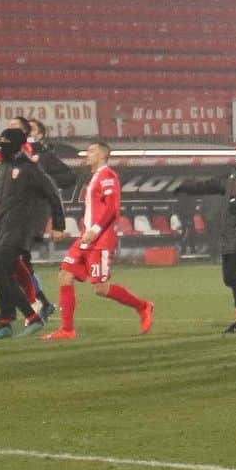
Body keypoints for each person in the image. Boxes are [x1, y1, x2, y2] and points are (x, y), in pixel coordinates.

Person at [44, 142, 153, 340]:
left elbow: (112, 208)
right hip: (85, 239)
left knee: (100, 288)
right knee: (64, 275)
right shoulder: (95, 178)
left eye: (92, 150)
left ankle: (143, 306)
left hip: (101, 239)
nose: (88, 153)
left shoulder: (108, 176)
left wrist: (95, 230)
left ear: (103, 155)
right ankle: (67, 330)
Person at [178, 137, 236, 333]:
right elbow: (213, 185)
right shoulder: (235, 174)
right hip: (229, 231)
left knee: (235, 276)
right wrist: (188, 187)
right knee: (229, 279)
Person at [0, 128, 64, 340]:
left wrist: (59, 225)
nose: (1, 150)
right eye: (0, 146)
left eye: (5, 146)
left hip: (20, 229)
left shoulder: (30, 169)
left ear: (18, 146)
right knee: (1, 273)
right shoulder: (1, 169)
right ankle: (5, 322)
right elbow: (0, 196)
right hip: (0, 228)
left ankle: (31, 316)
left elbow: (53, 194)